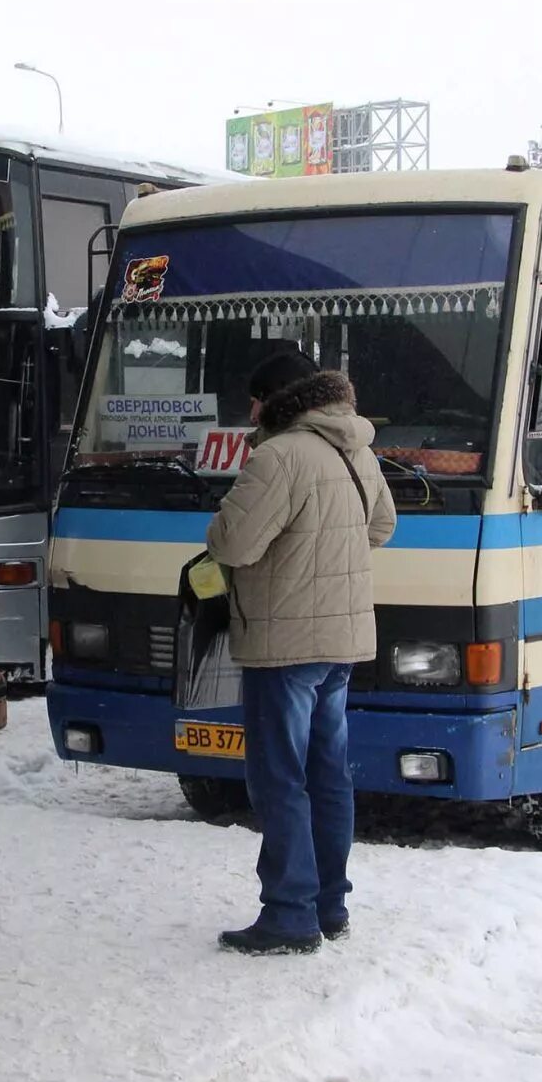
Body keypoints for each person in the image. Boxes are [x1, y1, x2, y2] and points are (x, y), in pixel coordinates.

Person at [204, 351, 395, 956]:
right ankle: (329, 905)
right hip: (341, 643)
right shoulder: (356, 448)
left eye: (257, 399)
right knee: (327, 774)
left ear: (280, 398)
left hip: (283, 643)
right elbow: (382, 526)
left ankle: (289, 913)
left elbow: (232, 544)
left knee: (280, 779)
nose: (251, 411)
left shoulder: (278, 455)